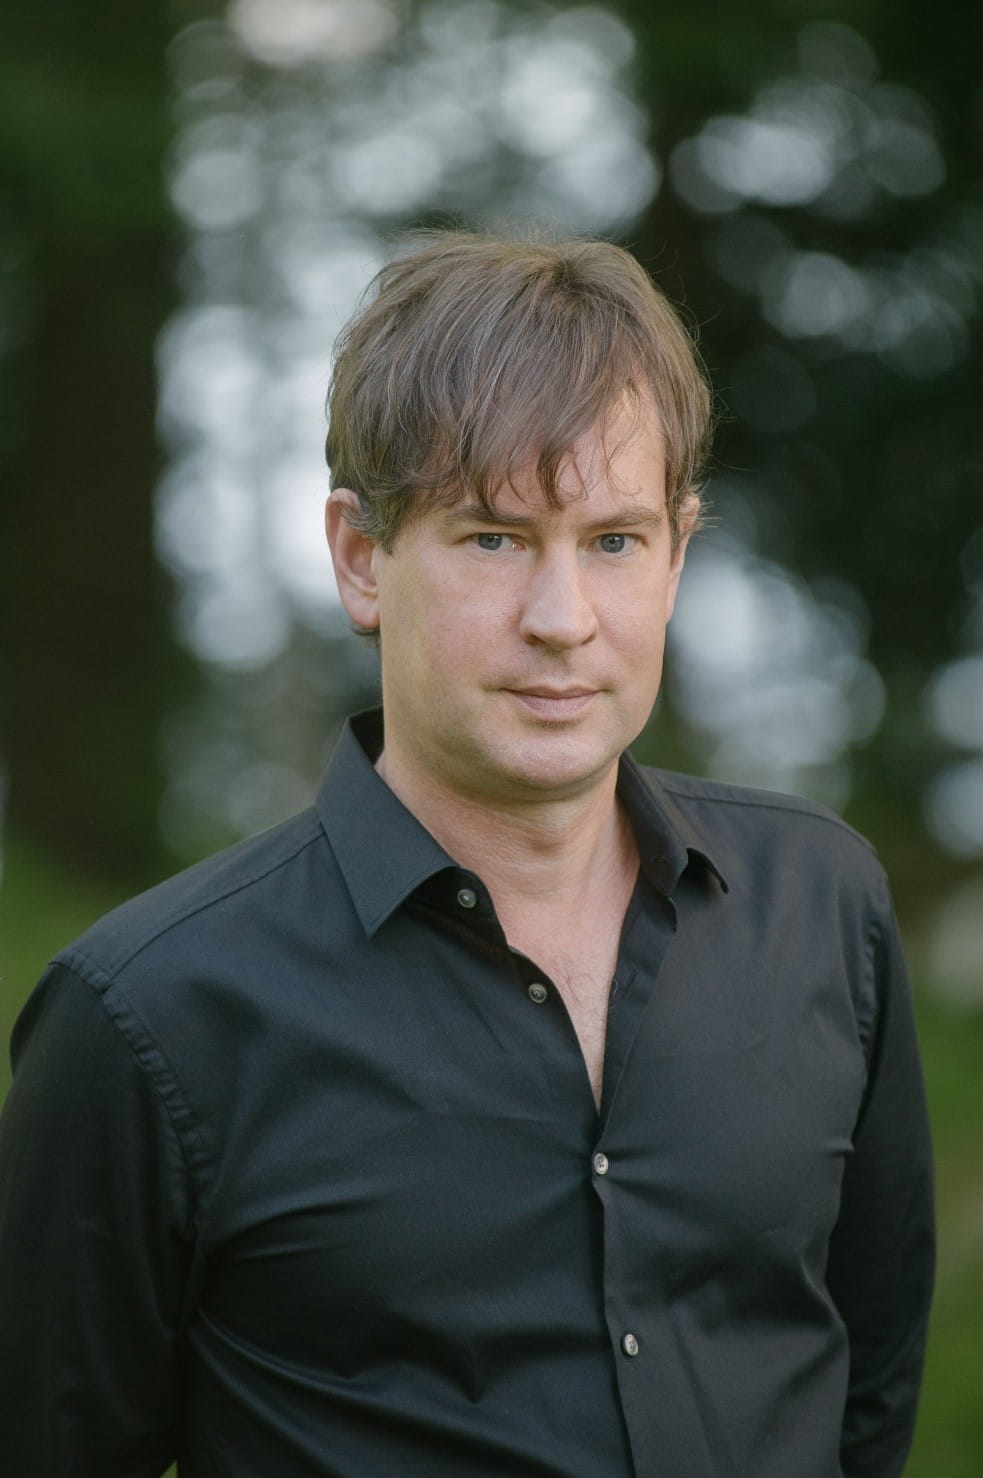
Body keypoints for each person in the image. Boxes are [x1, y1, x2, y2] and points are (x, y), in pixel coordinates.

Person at [0, 232, 933, 1477]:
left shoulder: (822, 907)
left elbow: (865, 1394)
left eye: (613, 540)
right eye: (493, 538)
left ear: (677, 553)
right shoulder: (148, 1017)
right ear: (358, 556)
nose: (562, 620)